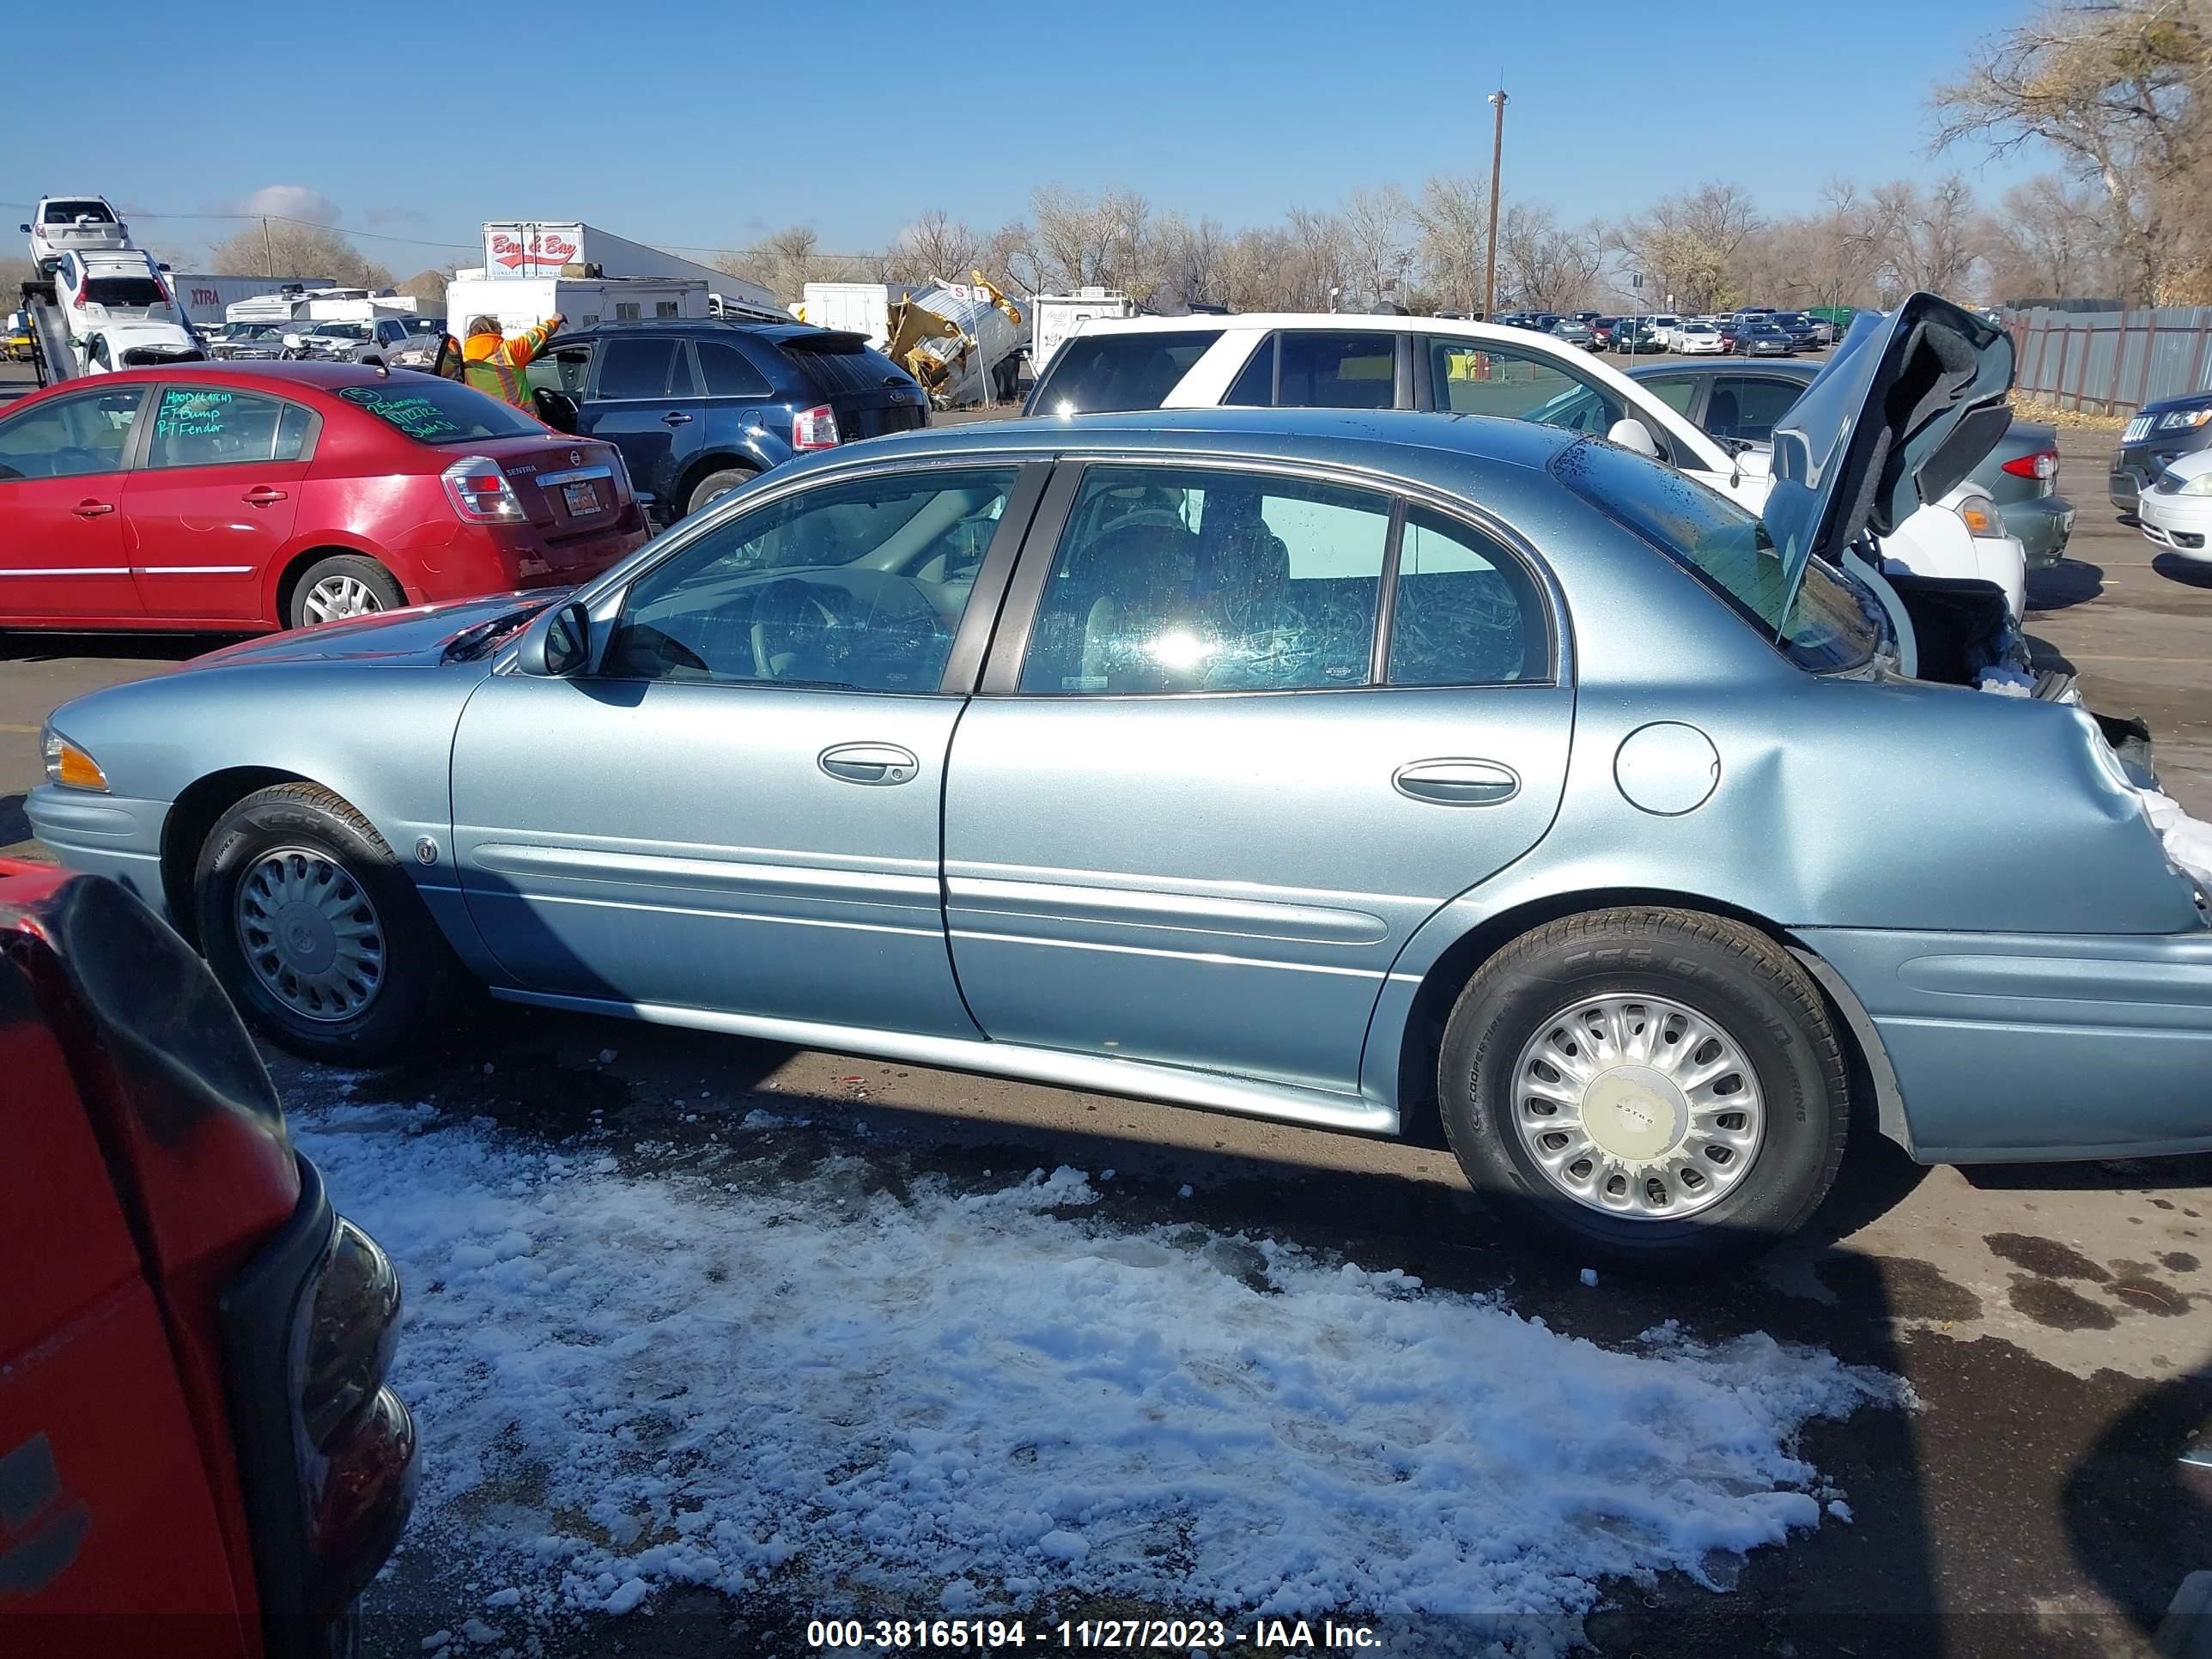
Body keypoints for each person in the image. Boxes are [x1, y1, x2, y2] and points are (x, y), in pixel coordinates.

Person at [460, 312, 563, 409]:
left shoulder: (464, 360)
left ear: (471, 335)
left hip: (487, 421)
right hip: (521, 419)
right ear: (497, 331)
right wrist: (556, 320)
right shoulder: (510, 350)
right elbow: (537, 334)